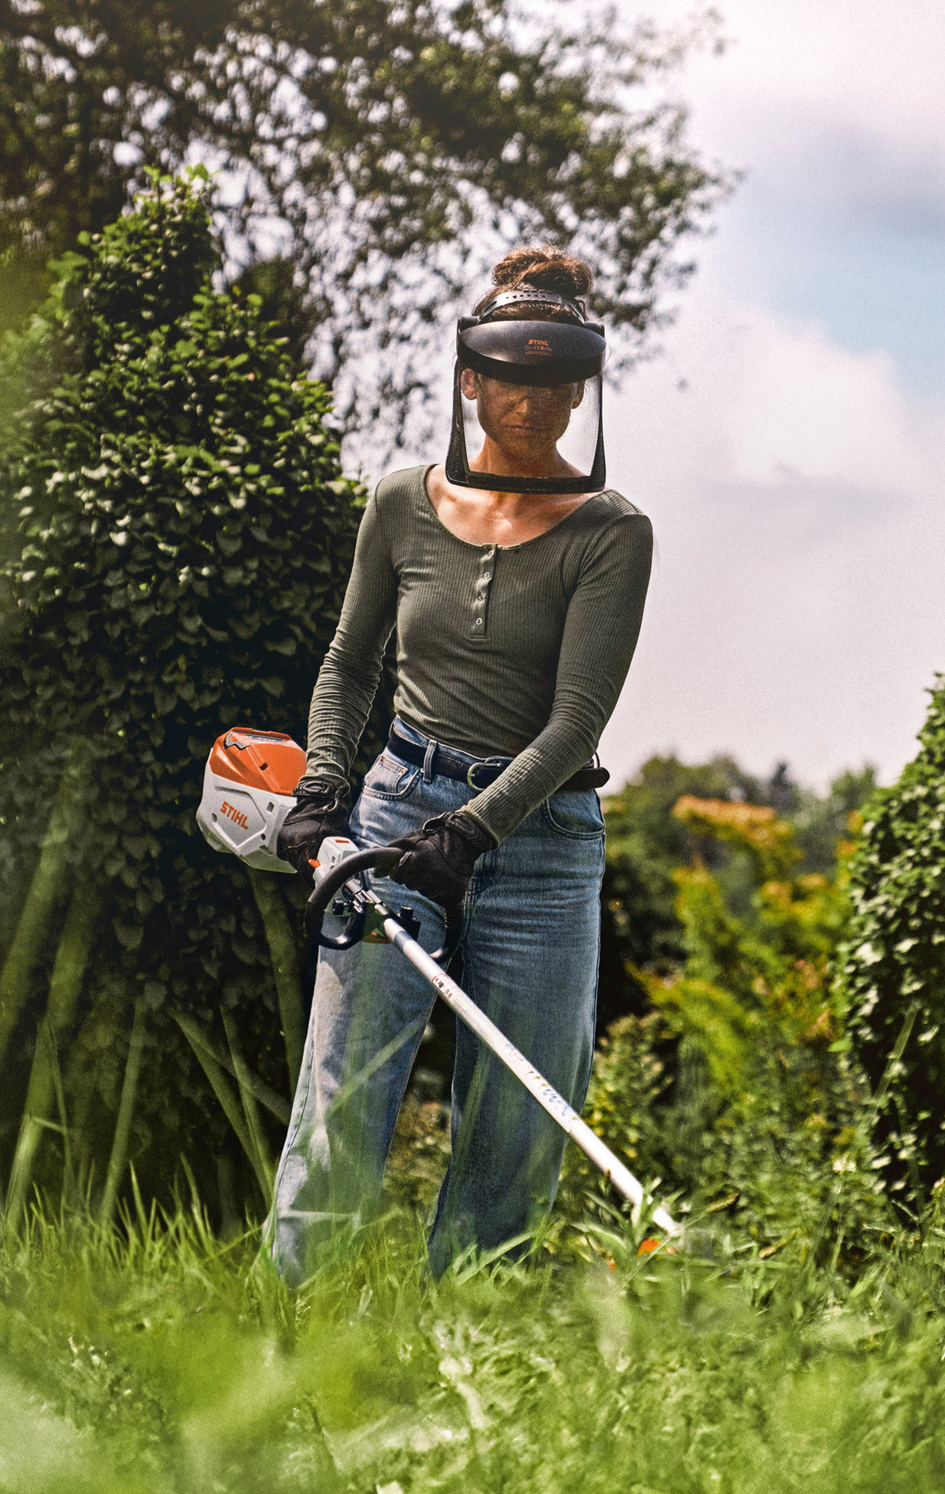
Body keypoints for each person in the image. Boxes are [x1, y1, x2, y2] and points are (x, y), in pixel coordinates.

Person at [264, 245, 653, 1283]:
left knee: (515, 1129)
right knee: (343, 1097)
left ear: (580, 388)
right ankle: (288, 1347)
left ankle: (466, 1374)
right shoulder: (398, 503)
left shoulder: (611, 532)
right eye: (509, 377)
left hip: (538, 844)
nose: (530, 402)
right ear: (471, 378)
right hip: (396, 819)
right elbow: (350, 663)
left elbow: (575, 719)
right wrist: (319, 793)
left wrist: (472, 831)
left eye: (553, 380)